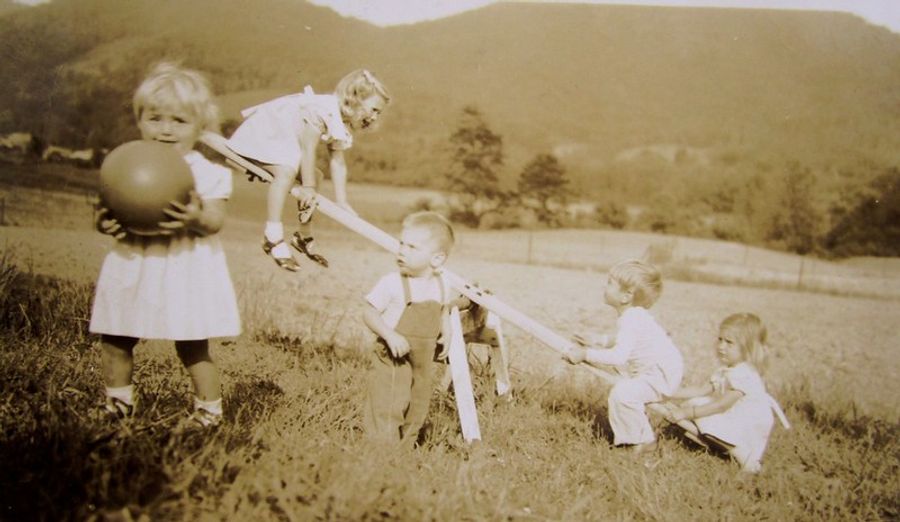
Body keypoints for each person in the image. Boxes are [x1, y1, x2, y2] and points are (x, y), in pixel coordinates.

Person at [89, 62, 241, 428]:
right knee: (116, 336)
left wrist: (194, 219)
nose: (166, 129)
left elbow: (215, 220)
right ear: (140, 120)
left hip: (183, 263)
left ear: (199, 127)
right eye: (155, 118)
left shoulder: (207, 171)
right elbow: (107, 211)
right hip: (133, 258)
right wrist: (104, 221)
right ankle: (118, 406)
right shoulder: (128, 165)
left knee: (191, 344)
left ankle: (208, 413)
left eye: (179, 121)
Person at [226, 69, 390, 271]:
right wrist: (308, 187)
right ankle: (273, 235)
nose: (374, 117)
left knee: (317, 176)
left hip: (281, 143)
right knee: (286, 173)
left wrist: (341, 200)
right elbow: (307, 148)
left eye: (378, 113)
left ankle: (303, 235)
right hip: (264, 136)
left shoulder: (341, 121)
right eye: (374, 109)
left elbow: (337, 162)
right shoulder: (321, 111)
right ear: (355, 99)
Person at [563, 259, 683, 454]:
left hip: (659, 375)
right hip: (660, 371)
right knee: (626, 390)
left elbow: (619, 357)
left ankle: (643, 441)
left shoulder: (631, 319)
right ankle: (638, 436)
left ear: (626, 296)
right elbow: (624, 340)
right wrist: (599, 340)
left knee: (623, 393)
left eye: (610, 283)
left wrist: (585, 354)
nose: (605, 286)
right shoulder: (635, 316)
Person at [362, 211, 455, 445]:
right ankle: (382, 449)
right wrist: (389, 335)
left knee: (418, 402)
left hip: (423, 359)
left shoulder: (442, 283)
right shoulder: (392, 283)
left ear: (436, 259)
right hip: (393, 355)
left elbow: (443, 309)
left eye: (412, 247)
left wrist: (447, 330)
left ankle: (405, 448)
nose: (402, 251)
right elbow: (369, 313)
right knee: (390, 399)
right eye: (401, 244)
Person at [664, 313, 790, 473]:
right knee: (697, 402)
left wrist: (686, 413)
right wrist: (668, 393)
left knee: (703, 413)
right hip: (734, 413)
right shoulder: (726, 370)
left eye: (729, 343)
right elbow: (701, 390)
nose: (721, 346)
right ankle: (716, 442)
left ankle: (746, 458)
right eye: (720, 340)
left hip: (749, 420)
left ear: (747, 348)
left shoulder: (744, 374)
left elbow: (721, 405)